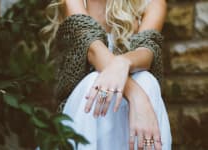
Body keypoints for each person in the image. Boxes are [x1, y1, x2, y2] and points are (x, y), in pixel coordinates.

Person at [42, 0, 172, 149]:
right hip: (89, 105)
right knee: (95, 80)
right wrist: (137, 96)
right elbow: (93, 51)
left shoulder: (152, 2)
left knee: (147, 80)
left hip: (125, 113)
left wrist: (123, 62)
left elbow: (147, 53)